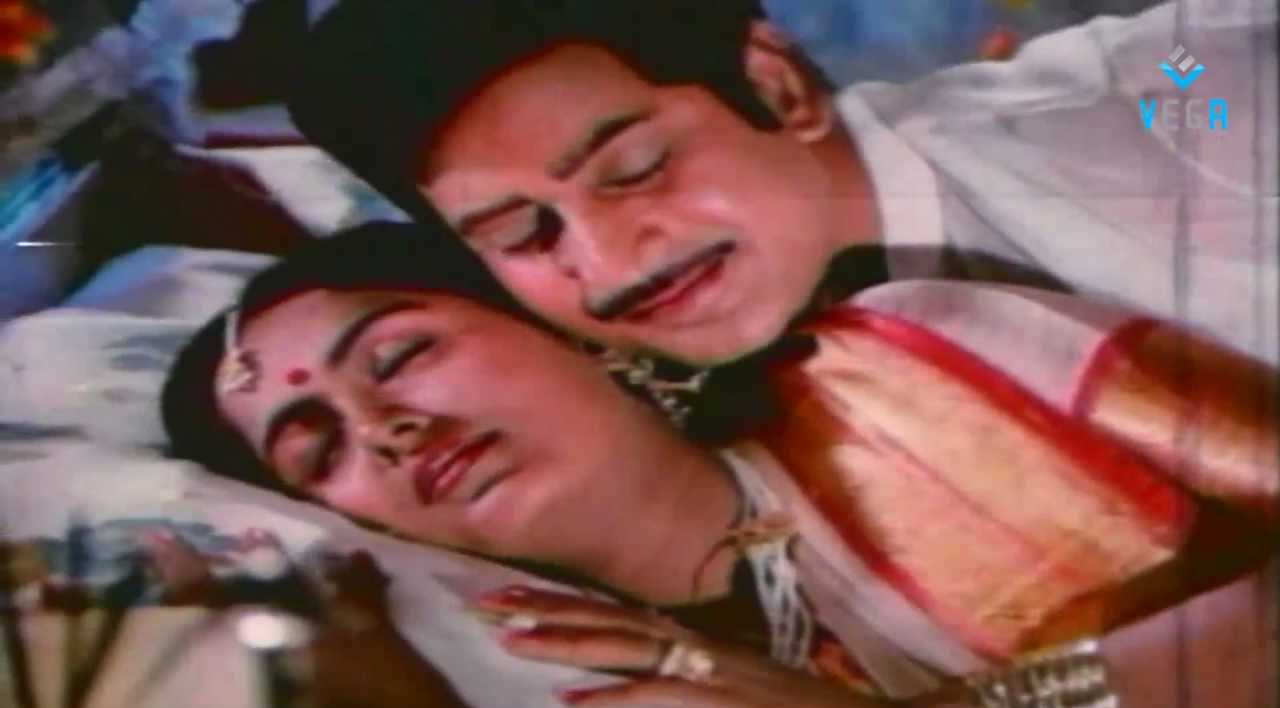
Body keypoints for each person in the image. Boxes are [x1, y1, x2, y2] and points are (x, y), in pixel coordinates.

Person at [163, 223, 1276, 708]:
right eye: (319, 451)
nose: (383, 427)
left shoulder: (918, 357)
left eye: (398, 356)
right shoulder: (579, 686)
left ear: (570, 329)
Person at [285, 0, 1277, 368]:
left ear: (777, 87)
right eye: (518, 233)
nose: (607, 257)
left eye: (633, 170)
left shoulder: (1186, 109)